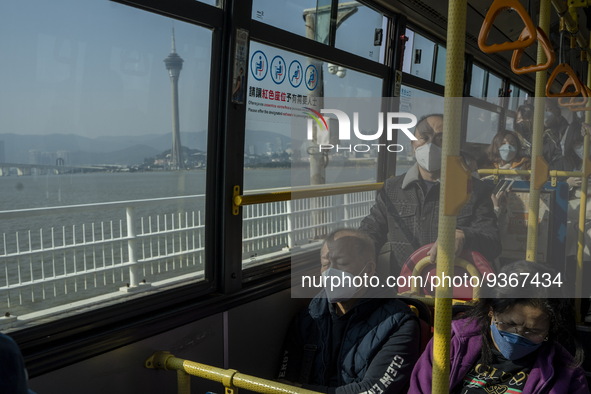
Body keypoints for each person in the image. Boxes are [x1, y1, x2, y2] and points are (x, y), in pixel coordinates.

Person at [409, 260, 589, 394]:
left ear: (550, 328)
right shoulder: (451, 343)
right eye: (509, 324)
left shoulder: (565, 374)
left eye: (533, 331)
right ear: (491, 311)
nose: (518, 335)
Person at [278, 228, 421, 394]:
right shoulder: (308, 318)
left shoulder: (399, 324)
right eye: (325, 264)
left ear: (368, 270)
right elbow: (284, 383)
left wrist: (301, 390)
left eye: (342, 264)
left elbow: (373, 390)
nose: (330, 273)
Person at [359, 114, 501, 273]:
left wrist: (464, 236)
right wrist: (350, 248)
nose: (430, 145)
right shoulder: (392, 189)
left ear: (454, 146)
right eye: (424, 138)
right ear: (413, 144)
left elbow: (493, 243)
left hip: (455, 287)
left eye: (440, 139)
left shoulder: (474, 190)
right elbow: (371, 230)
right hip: (404, 286)